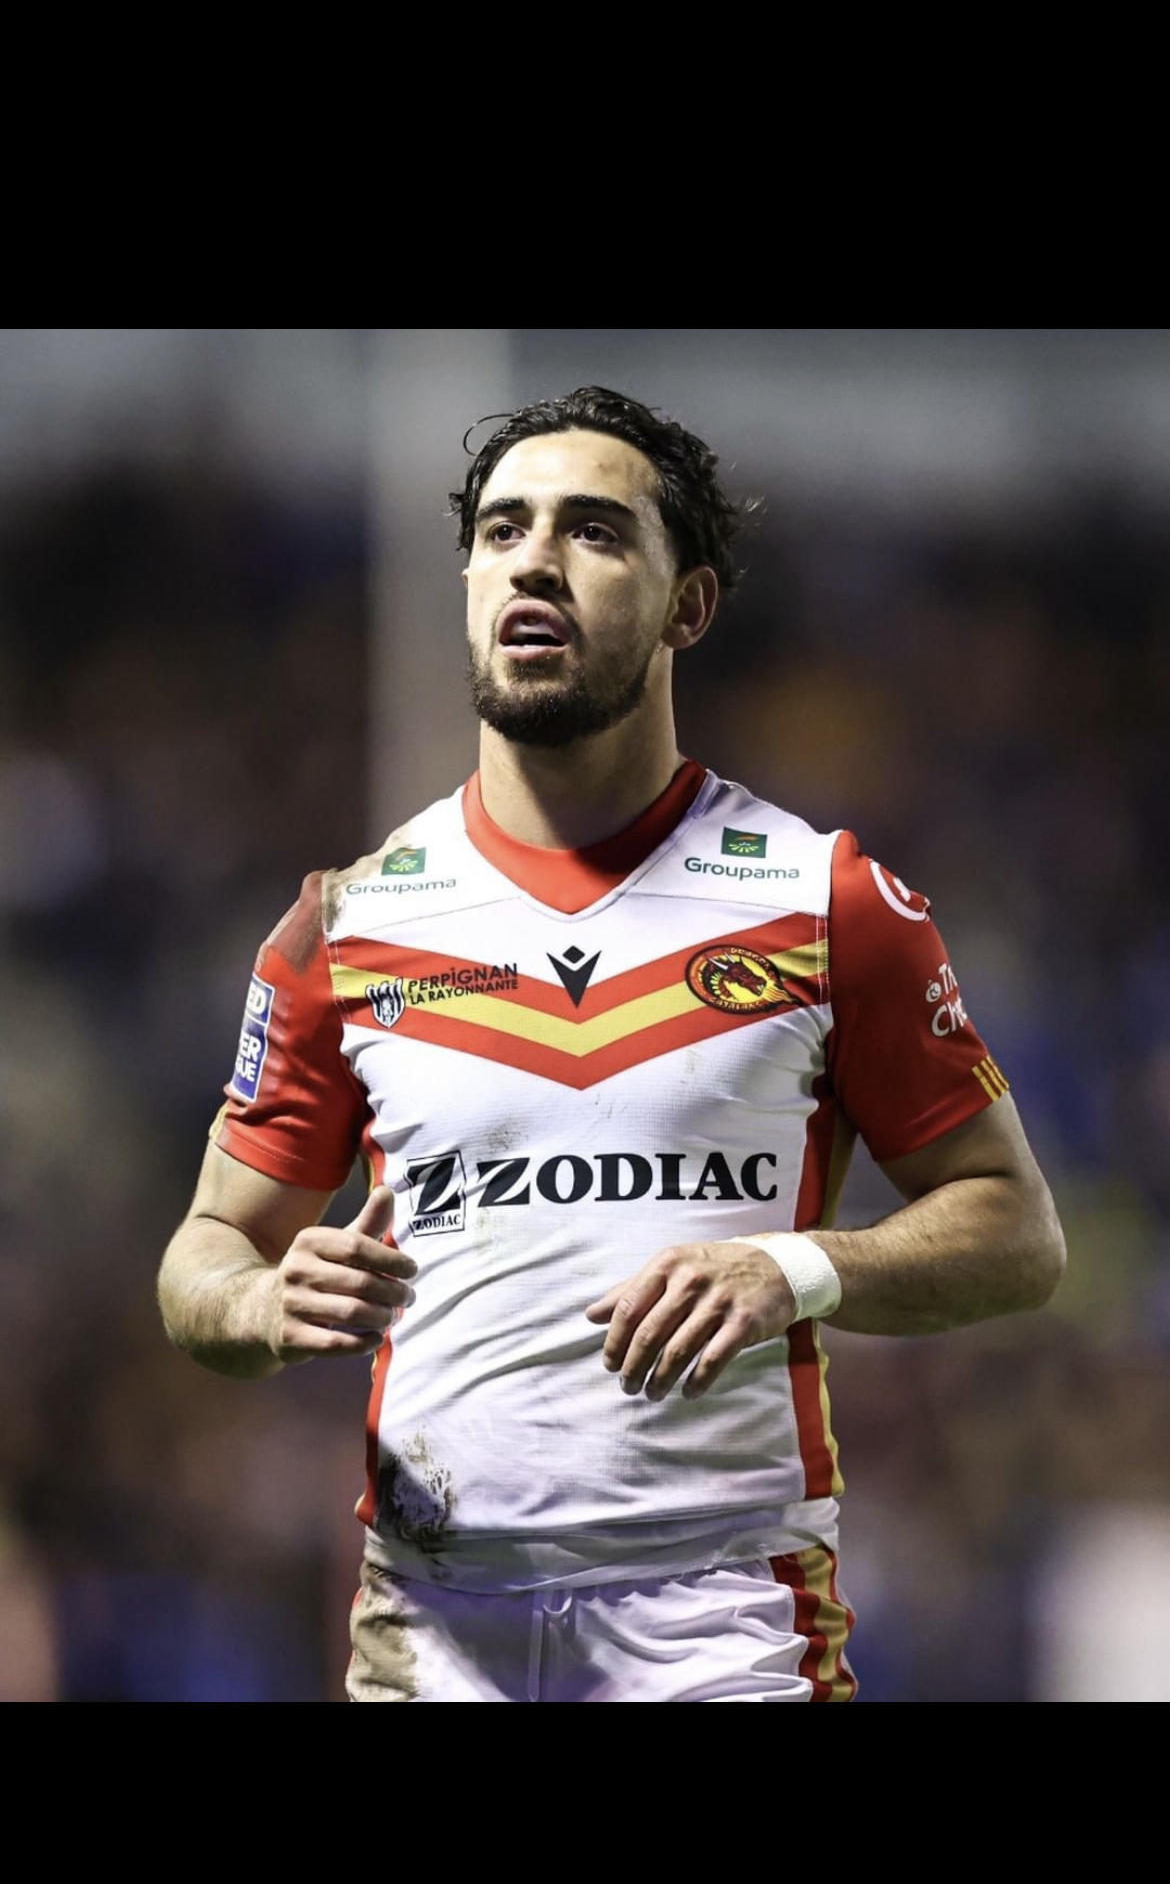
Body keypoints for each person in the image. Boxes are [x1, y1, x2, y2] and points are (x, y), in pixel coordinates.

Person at [157, 384, 1067, 1703]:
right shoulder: (343, 925)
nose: (534, 559)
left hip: (723, 1628)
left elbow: (1017, 1233)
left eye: (591, 530)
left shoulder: (824, 902)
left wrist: (795, 1269)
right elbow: (204, 1252)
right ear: (469, 583)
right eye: (503, 530)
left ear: (687, 605)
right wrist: (251, 1302)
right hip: (431, 1633)